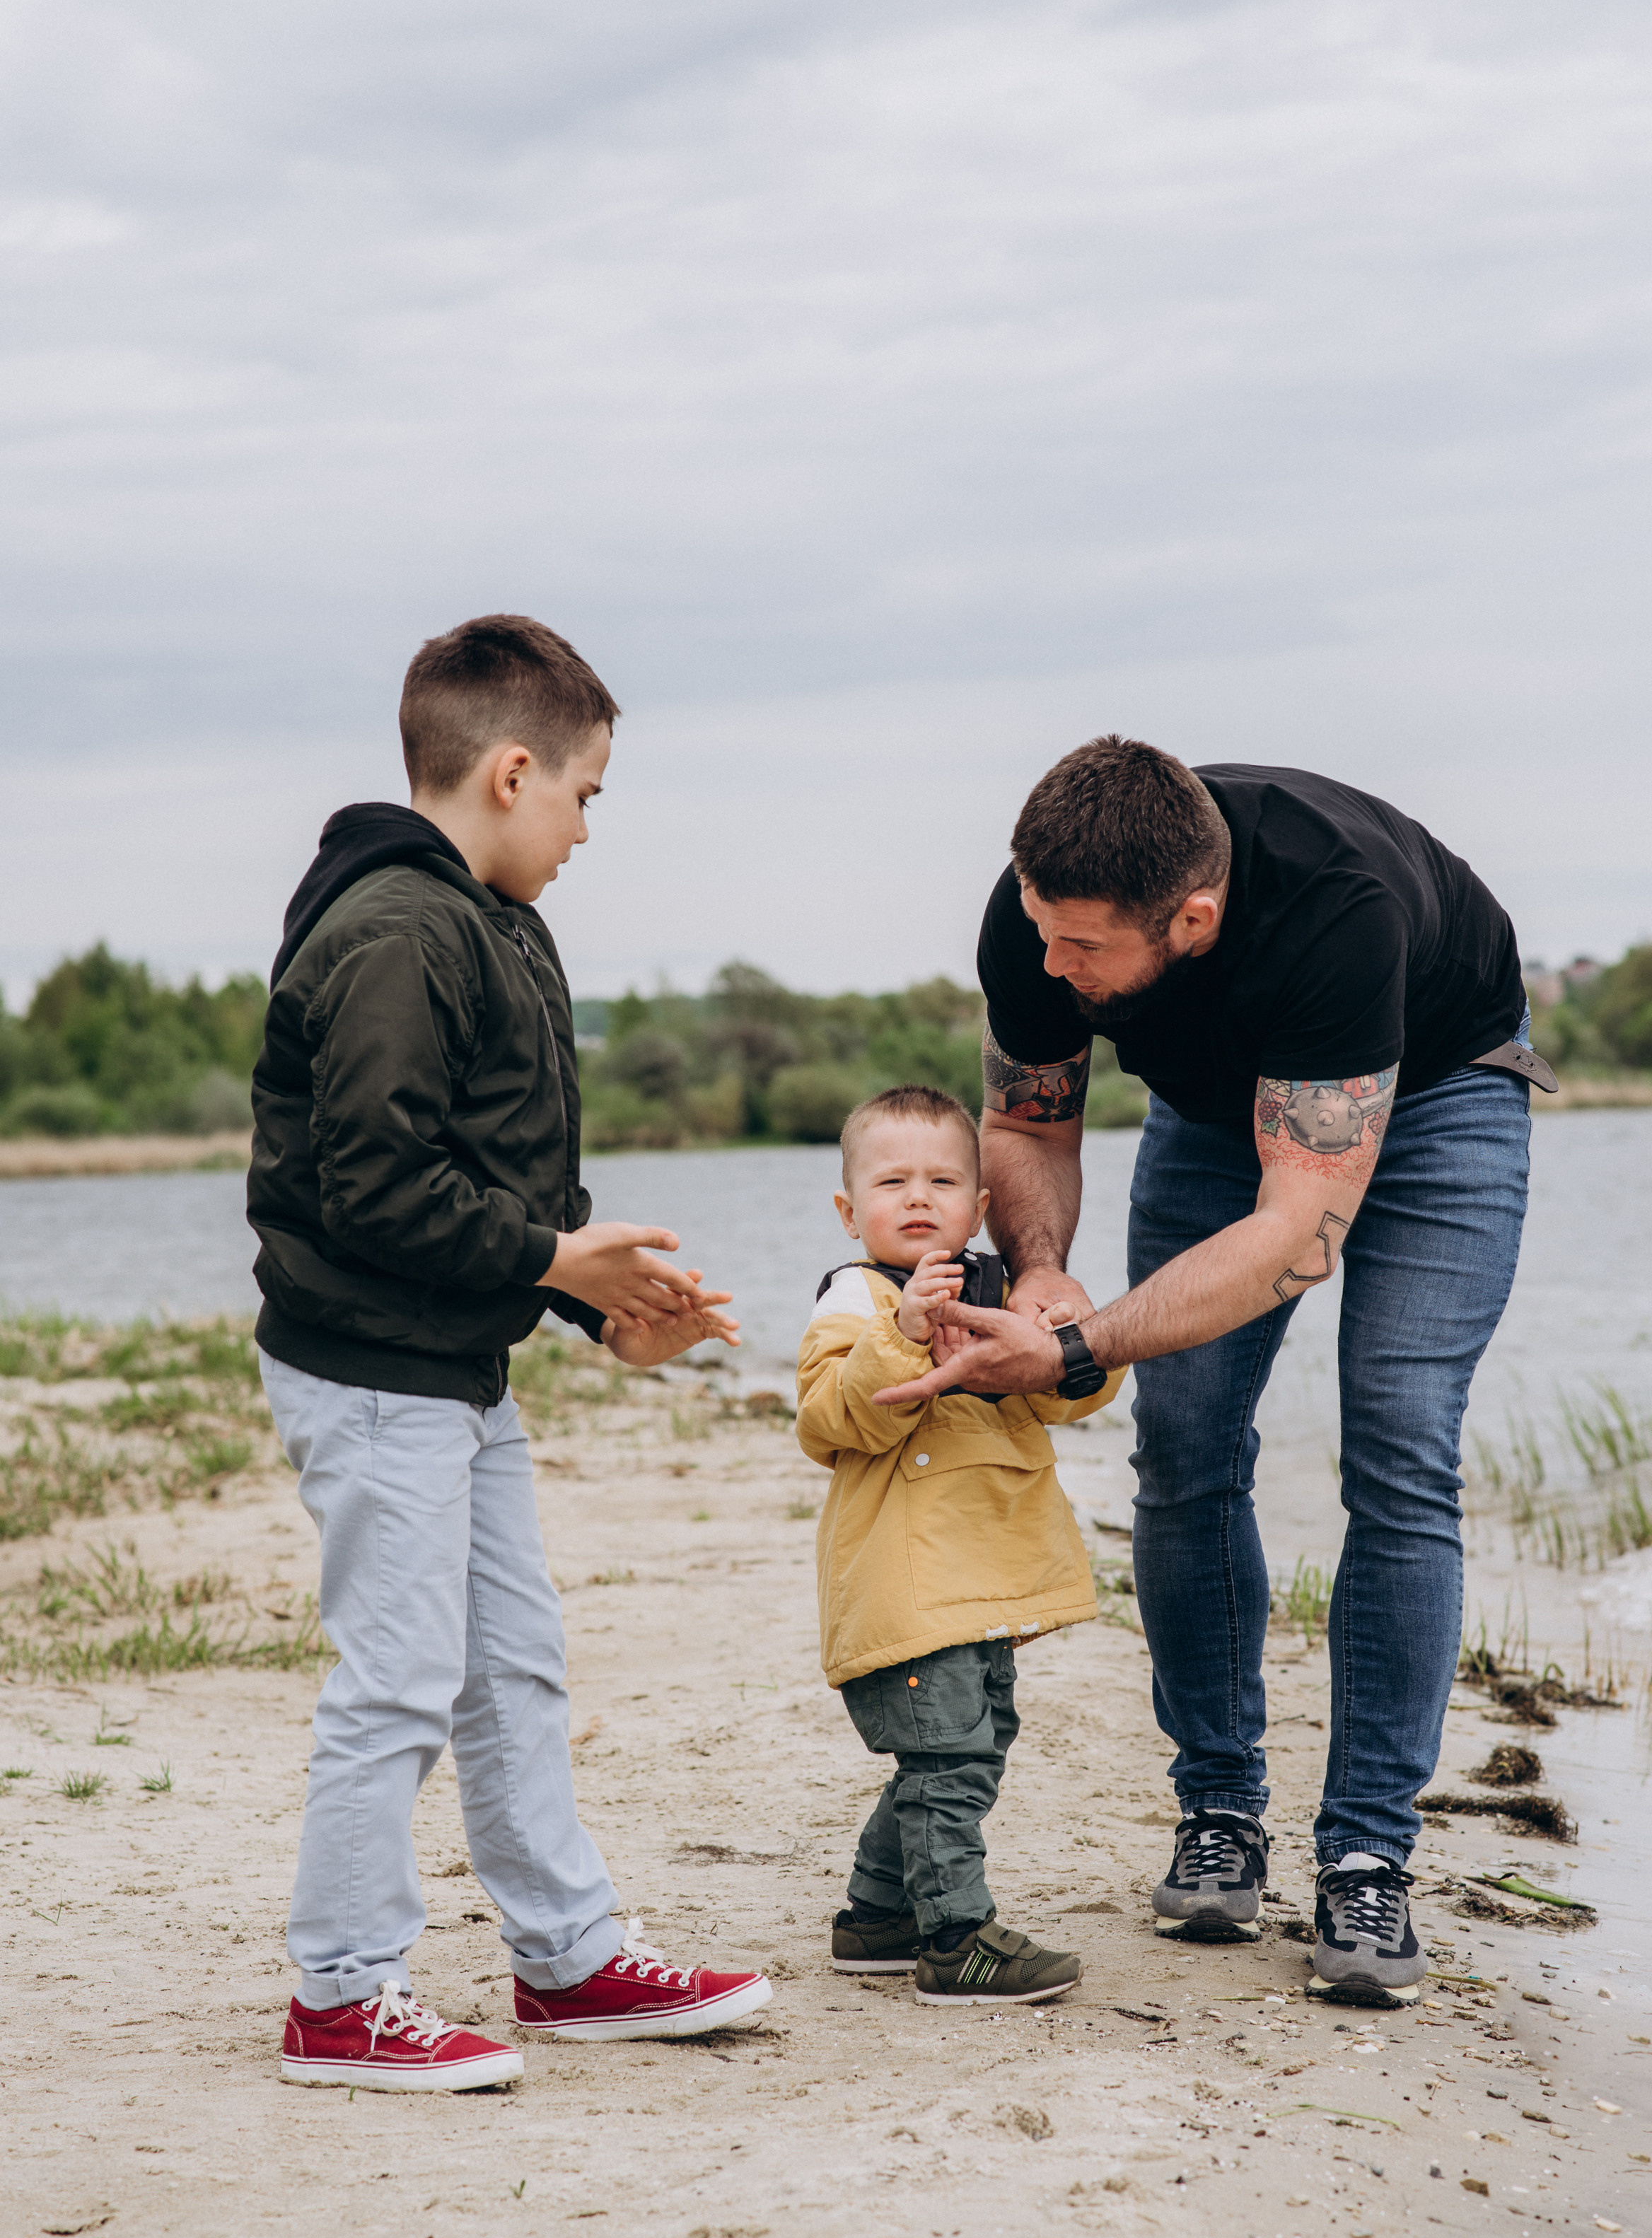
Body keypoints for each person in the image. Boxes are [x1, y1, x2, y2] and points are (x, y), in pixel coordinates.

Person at [873, 740, 1552, 2007]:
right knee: (1183, 1442)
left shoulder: (1337, 910)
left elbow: (1296, 1230)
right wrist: (1039, 1275)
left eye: (1082, 949)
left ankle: (1365, 1857)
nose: (1052, 966)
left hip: (1446, 1088)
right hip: (1215, 1103)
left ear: (1191, 918)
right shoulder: (1040, 910)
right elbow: (1028, 1120)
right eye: (1040, 932)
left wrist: (1077, 1348)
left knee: (1399, 1447)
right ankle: (1220, 1811)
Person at [249, 613, 773, 2090]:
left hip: (449, 1365)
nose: (588, 829)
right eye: (588, 795)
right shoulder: (397, 932)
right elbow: (373, 1184)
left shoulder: (488, 923)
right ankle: (341, 1996)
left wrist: (598, 1301)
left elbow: (493, 1181)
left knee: (512, 1668)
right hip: (368, 1368)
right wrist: (555, 1261)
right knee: (403, 1677)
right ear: (513, 771)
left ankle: (568, 1958)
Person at [796, 1084, 1122, 2005]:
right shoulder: (855, 1300)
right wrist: (902, 1340)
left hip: (983, 1588)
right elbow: (828, 1423)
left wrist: (1073, 1337)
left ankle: (878, 1917)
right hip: (908, 1588)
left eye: (943, 1181)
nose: (917, 1198)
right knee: (949, 1760)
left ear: (980, 1209)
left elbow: (1070, 1396)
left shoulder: (1001, 1292)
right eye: (891, 1181)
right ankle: (954, 1939)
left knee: (972, 1743)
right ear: (849, 1209)